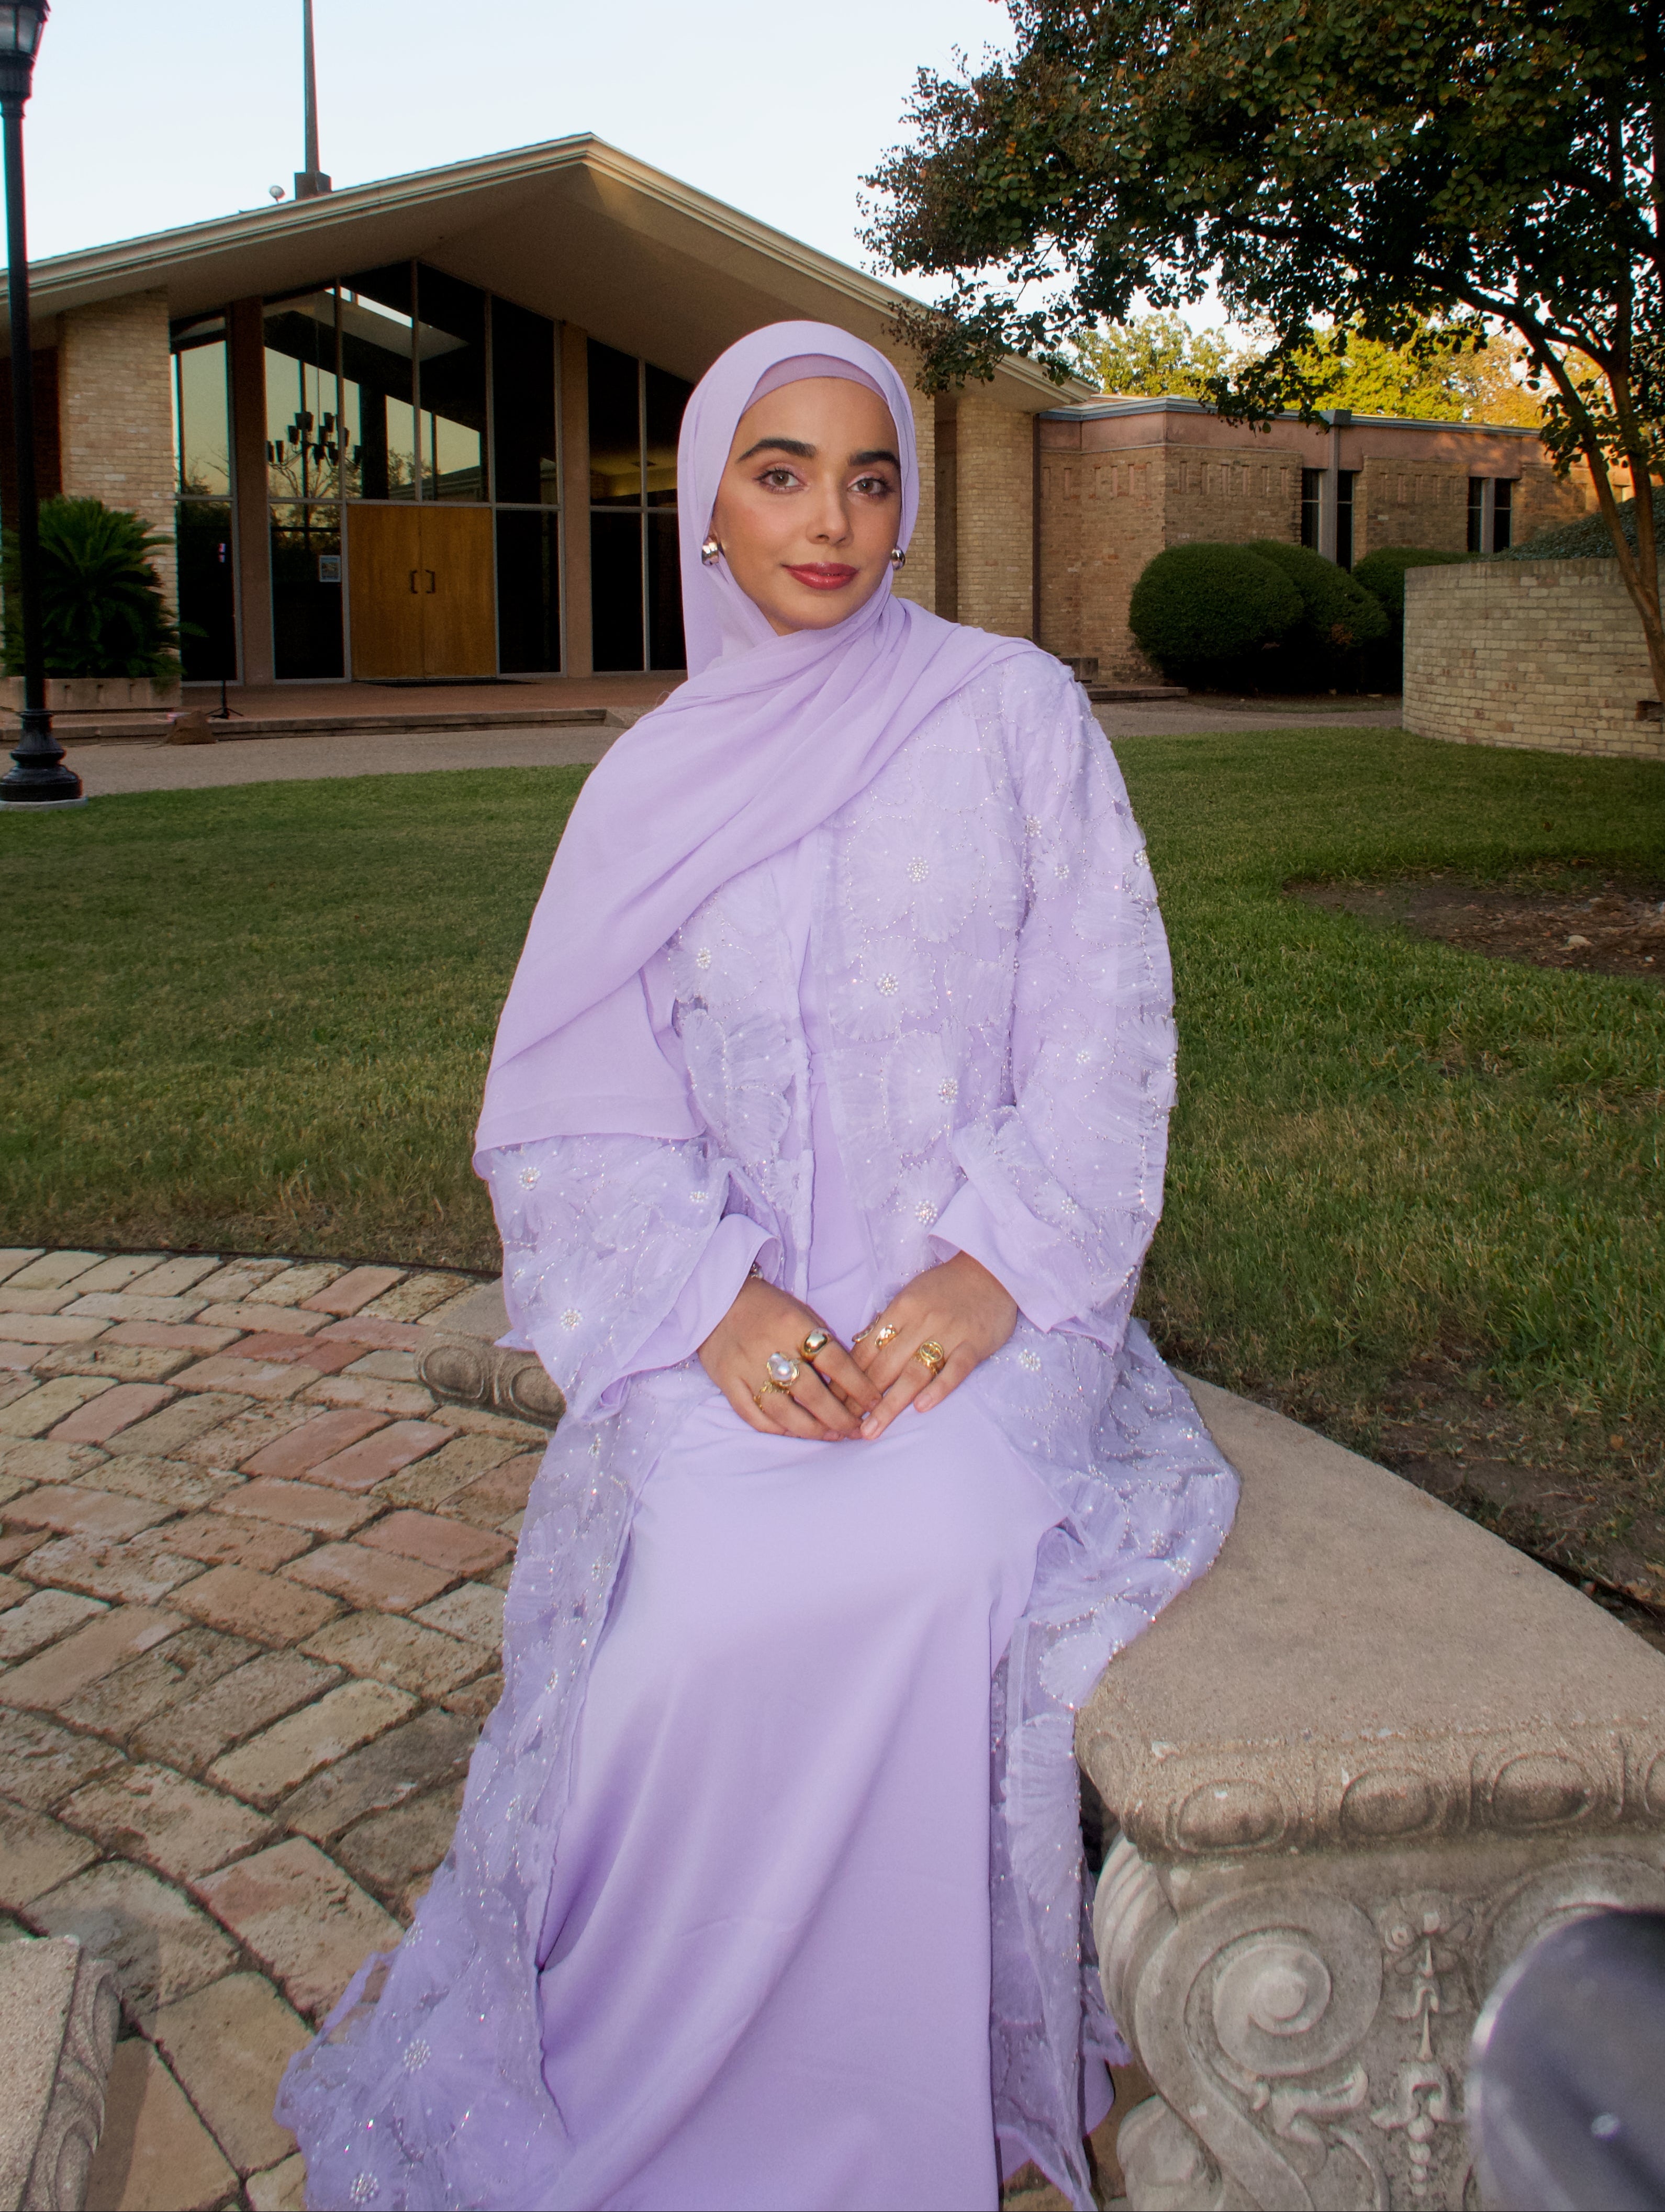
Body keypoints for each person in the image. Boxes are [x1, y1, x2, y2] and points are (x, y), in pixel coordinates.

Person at [278, 321, 1238, 2212]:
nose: (833, 518)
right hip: (735, 1311)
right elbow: (574, 1101)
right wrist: (713, 1296)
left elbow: (1109, 1026)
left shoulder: (1011, 711)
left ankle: (888, 2115)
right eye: (781, 473)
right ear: (709, 504)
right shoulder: (651, 781)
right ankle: (667, 2095)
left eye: (870, 476)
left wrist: (999, 1266)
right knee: (698, 1606)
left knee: (930, 1552)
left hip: (991, 1308)